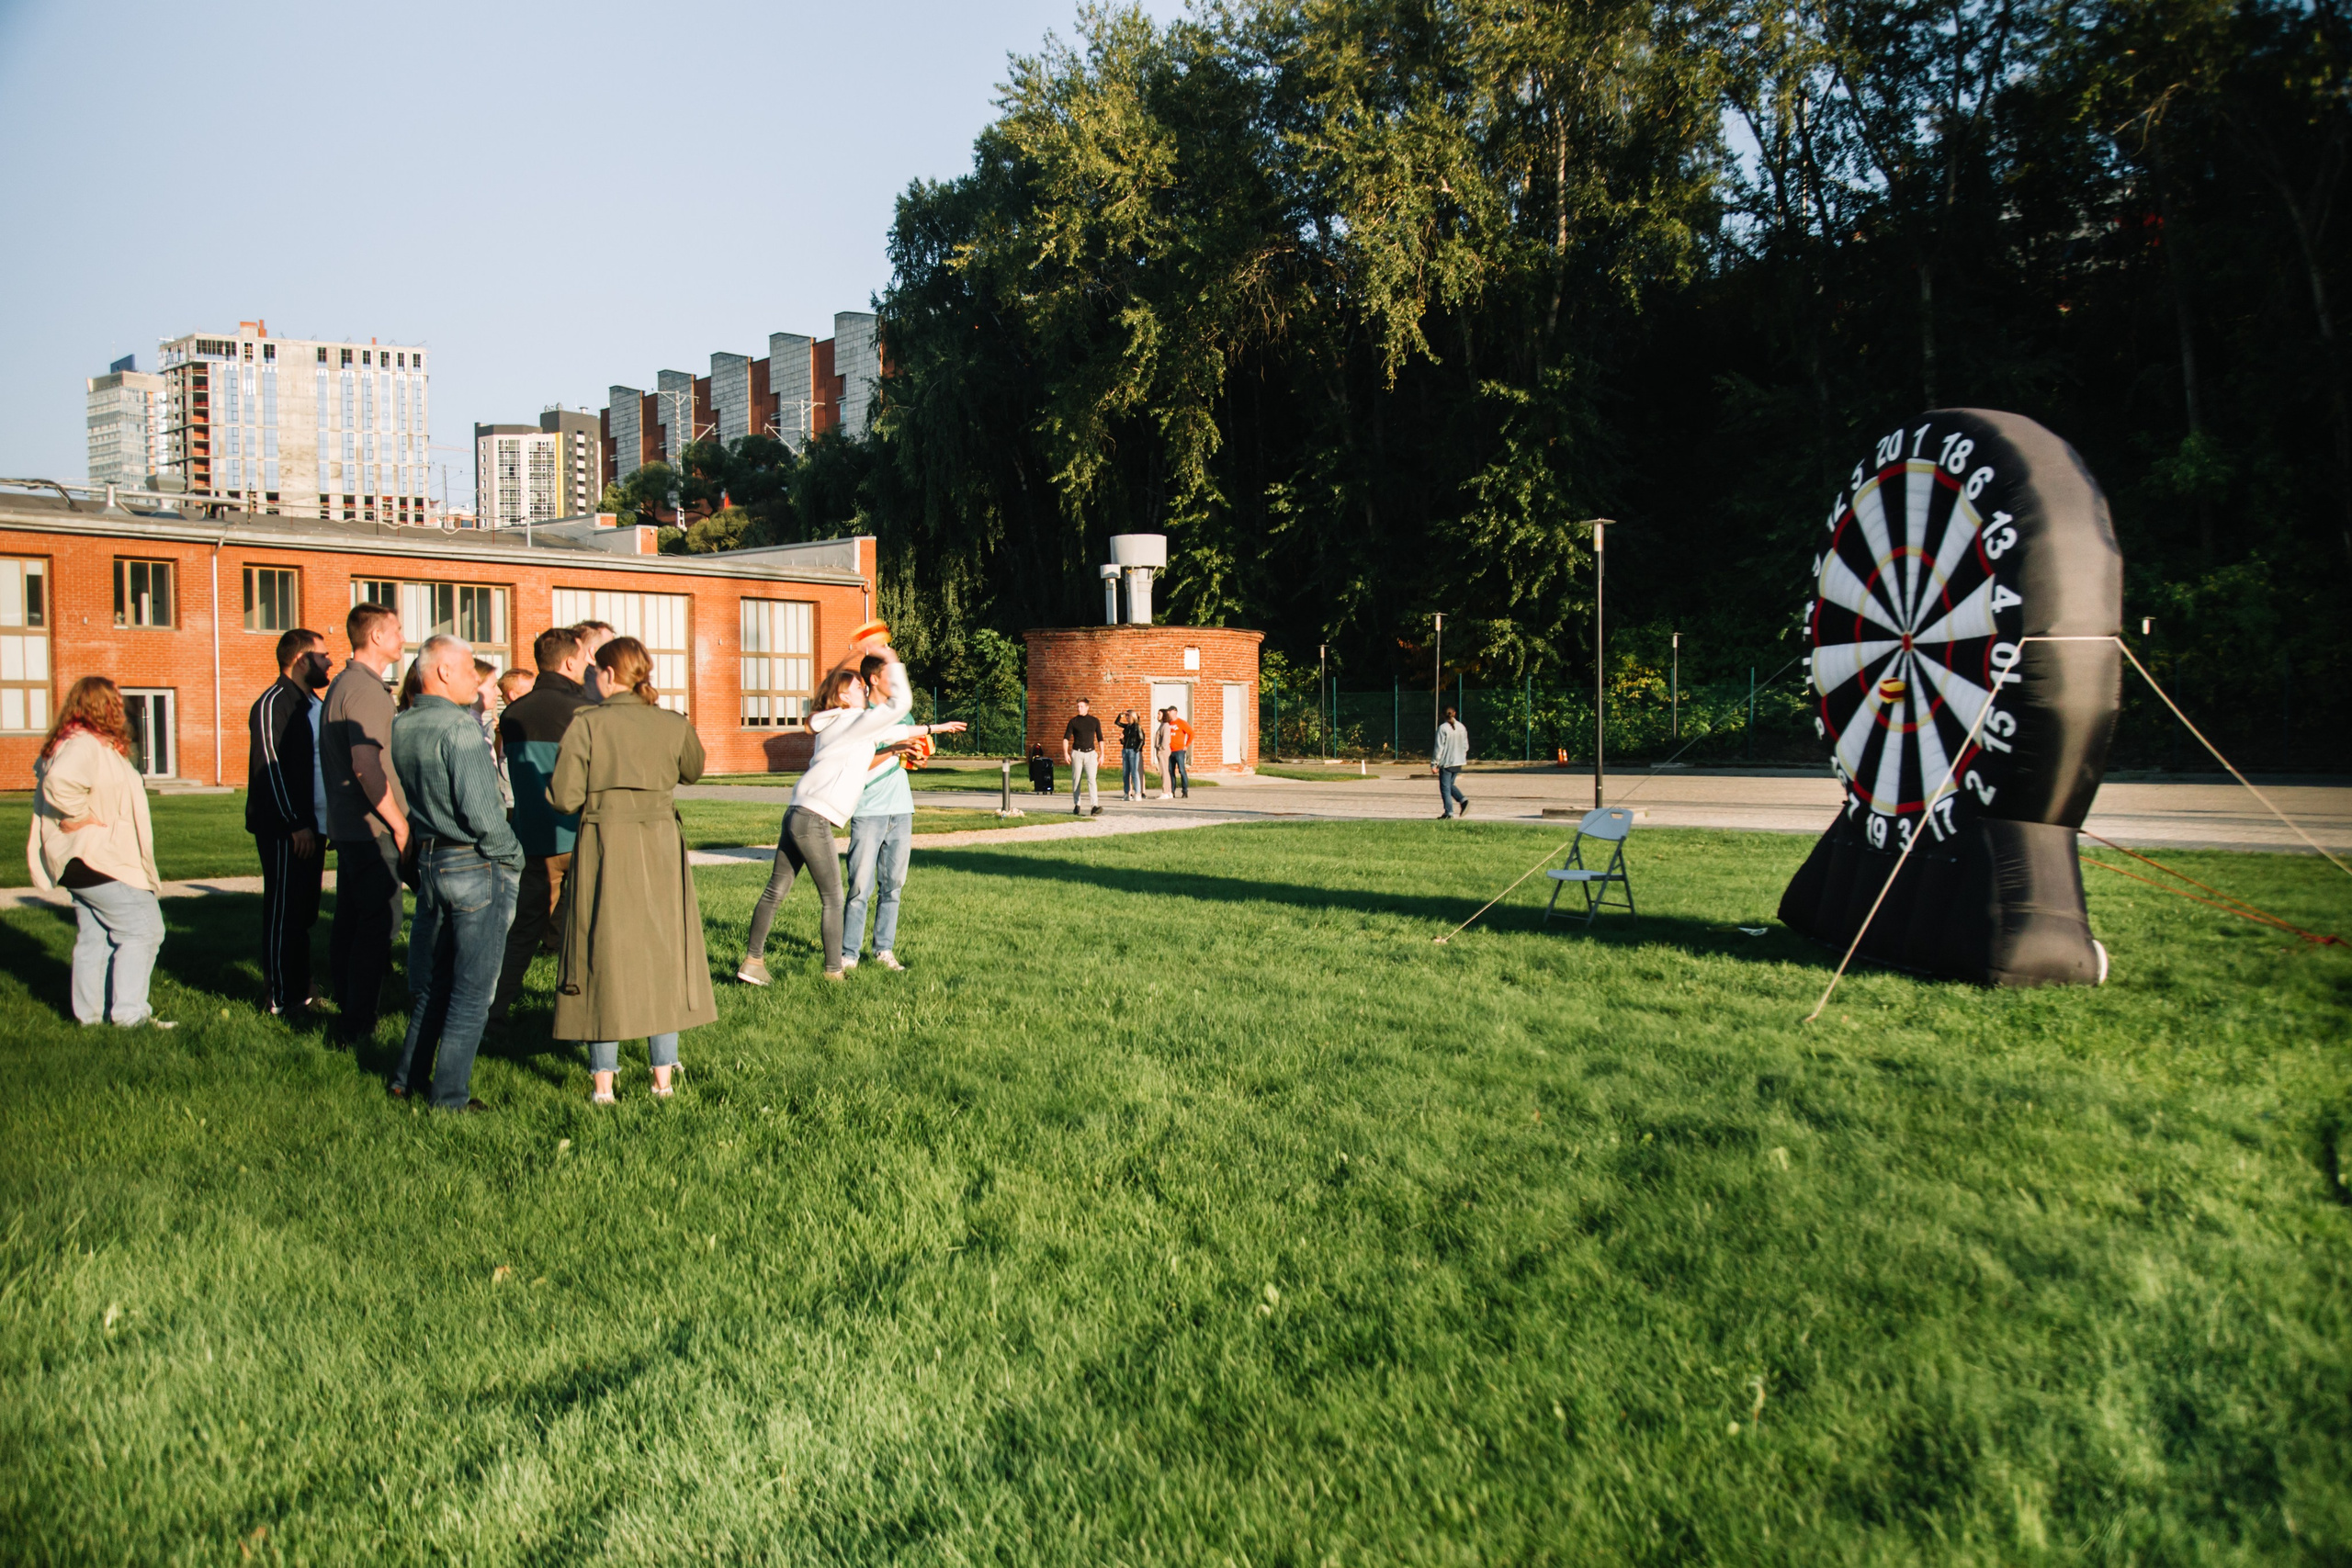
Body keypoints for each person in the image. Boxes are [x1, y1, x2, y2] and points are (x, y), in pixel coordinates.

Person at [548, 637, 716, 1100]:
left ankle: (604, 1083)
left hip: (605, 843)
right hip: (661, 843)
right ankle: (663, 1076)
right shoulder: (671, 722)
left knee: (601, 951)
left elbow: (563, 798)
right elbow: (694, 770)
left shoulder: (587, 724)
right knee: (663, 952)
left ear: (606, 674)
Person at [387, 636, 523, 1109]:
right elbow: (484, 813)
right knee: (472, 991)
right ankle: (449, 1096)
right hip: (472, 862)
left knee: (436, 983)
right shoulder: (460, 729)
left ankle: (406, 1077)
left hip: (431, 858)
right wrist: (512, 855)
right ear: (442, 671)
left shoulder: (403, 723)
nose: (476, 679)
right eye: (468, 669)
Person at [740, 631, 916, 985]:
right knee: (834, 898)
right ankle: (834, 972)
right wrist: (891, 658)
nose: (864, 692)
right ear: (842, 697)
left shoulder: (833, 723)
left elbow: (884, 735)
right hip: (814, 820)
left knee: (776, 890)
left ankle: (752, 962)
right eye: (857, 689)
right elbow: (901, 706)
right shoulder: (853, 721)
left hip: (796, 812)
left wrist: (932, 728)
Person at [27, 677, 171, 1029]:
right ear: (100, 705)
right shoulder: (83, 744)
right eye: (116, 701)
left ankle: (90, 1018)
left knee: (97, 937)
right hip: (97, 858)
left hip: (81, 862)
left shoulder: (77, 741)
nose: (121, 708)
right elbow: (59, 783)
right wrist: (79, 815)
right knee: (144, 931)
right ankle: (129, 1015)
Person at [489, 627, 594, 1024]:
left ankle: (493, 1010)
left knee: (522, 932)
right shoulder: (584, 712)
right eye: (584, 658)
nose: (587, 665)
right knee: (583, 932)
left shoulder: (513, 713)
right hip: (580, 834)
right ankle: (577, 1012)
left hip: (533, 837)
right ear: (569, 662)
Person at [321, 602, 412, 1046]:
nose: (402, 637)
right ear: (375, 636)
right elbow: (365, 764)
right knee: (378, 923)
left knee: (353, 921)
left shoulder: (346, 684)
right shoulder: (366, 690)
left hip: (352, 827)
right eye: (395, 629)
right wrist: (397, 822)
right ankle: (358, 1022)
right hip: (371, 829)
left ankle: (349, 1008)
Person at [841, 653, 967, 973]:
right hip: (868, 811)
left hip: (901, 809)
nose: (895, 682)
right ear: (874, 680)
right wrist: (894, 750)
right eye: (889, 676)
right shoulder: (858, 716)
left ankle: (884, 950)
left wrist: (916, 757)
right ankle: (848, 955)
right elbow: (860, 762)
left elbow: (913, 759)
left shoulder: (903, 716)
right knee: (859, 888)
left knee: (893, 885)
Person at [245, 627, 331, 1020]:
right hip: (286, 830)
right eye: (322, 655)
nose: (329, 661)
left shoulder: (313, 704)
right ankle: (281, 997)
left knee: (305, 912)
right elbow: (269, 768)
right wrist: (294, 822)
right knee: (284, 911)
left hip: (313, 827)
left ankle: (303, 990)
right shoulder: (273, 703)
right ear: (300, 660)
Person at [1063, 697, 1103, 816]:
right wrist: (1066, 753)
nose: (1079, 708)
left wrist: (1102, 755)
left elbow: (1100, 738)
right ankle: (1077, 804)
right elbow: (1066, 738)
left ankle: (1094, 806)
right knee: (1076, 780)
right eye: (1078, 706)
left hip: (1091, 753)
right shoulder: (1073, 721)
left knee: (1092, 779)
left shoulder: (1094, 721)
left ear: (1087, 707)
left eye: (1081, 706)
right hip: (1077, 752)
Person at [1434, 705, 1471, 818]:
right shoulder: (1462, 727)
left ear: (1442, 715)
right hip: (1458, 761)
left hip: (1447, 762)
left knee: (1445, 788)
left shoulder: (1442, 728)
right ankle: (1463, 800)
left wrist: (1434, 763)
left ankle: (1449, 813)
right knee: (1449, 785)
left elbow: (1439, 747)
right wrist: (1461, 756)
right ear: (1454, 713)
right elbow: (1465, 746)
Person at [572, 620, 615, 699]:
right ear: (594, 653)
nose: (616, 652)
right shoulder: (601, 688)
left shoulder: (567, 685)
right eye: (611, 647)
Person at [1115, 709, 1146, 801]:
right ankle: (1127, 793)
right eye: (1126, 716)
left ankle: (1138, 793)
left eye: (1128, 716)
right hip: (1126, 750)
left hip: (1133, 750)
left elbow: (1141, 740)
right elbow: (1117, 722)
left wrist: (1137, 749)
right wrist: (1120, 715)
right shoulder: (1127, 727)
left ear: (1133, 716)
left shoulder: (1137, 727)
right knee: (1125, 773)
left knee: (1134, 772)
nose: (1127, 718)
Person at [1167, 707, 1194, 797]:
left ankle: (1185, 790)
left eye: (1170, 711)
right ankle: (1172, 790)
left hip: (1179, 751)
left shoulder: (1181, 723)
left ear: (1175, 712)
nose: (1168, 713)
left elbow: (1191, 733)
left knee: (1182, 770)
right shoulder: (1168, 723)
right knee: (1171, 771)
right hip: (1170, 751)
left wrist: (1186, 745)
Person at [1151, 707, 1173, 799]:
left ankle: (1165, 791)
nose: (1157, 716)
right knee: (1165, 771)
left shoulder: (1165, 725)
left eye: (1159, 714)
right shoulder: (1162, 725)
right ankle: (1168, 791)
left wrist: (1160, 749)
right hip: (1162, 750)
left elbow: (1166, 739)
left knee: (1163, 771)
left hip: (1163, 751)